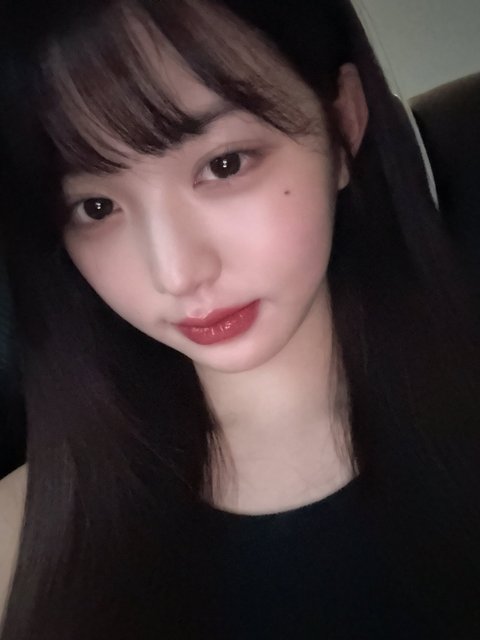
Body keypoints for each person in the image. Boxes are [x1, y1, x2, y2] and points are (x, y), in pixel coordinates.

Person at [0, 0, 480, 638]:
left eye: (224, 164)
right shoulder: (18, 540)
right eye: (95, 206)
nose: (176, 273)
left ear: (343, 124)